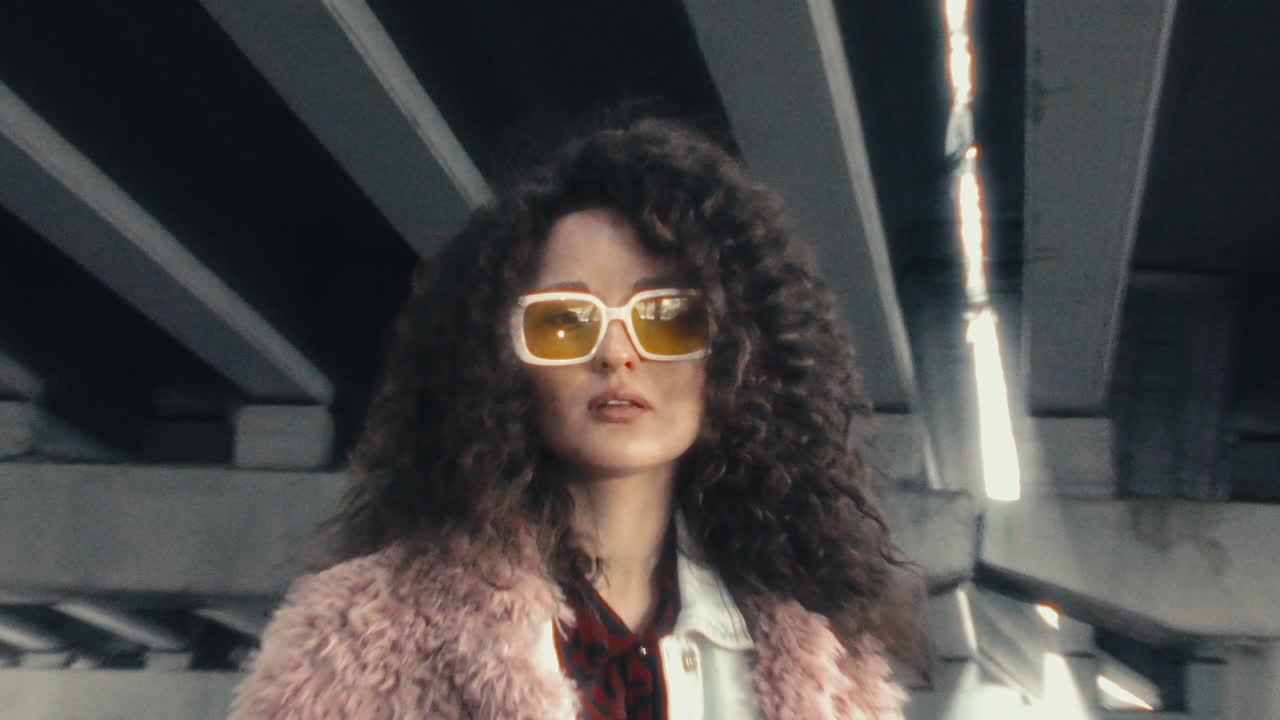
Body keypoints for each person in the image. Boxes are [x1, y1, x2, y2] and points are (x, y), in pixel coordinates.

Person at [228, 112, 923, 719]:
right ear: (501, 360)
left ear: (737, 355)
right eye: (565, 321)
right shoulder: (363, 634)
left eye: (667, 318)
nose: (617, 354)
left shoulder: (820, 663)